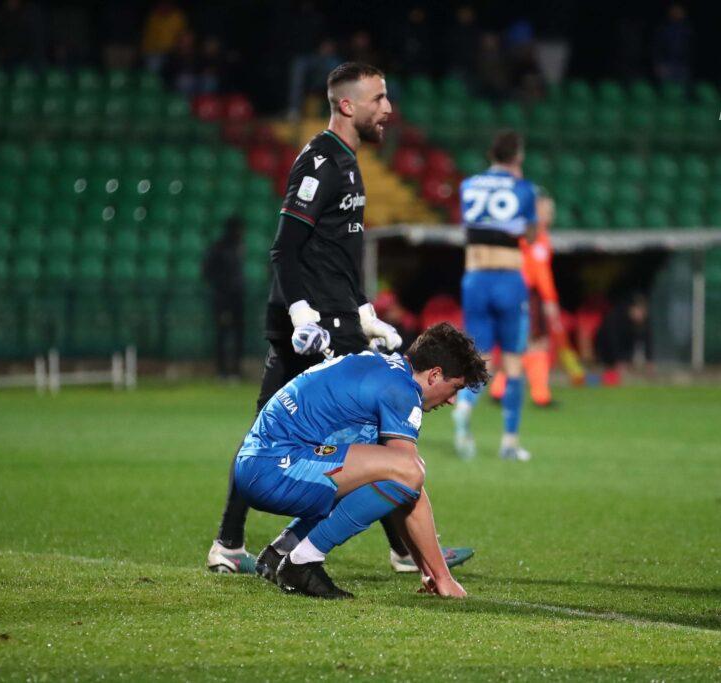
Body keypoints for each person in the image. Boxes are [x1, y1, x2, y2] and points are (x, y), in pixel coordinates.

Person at [207, 62, 473, 575]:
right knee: (353, 435)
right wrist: (303, 314)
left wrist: (366, 312)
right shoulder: (319, 163)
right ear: (347, 105)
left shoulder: (348, 163)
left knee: (359, 433)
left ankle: (233, 543)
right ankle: (406, 553)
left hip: (338, 319)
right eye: (379, 98)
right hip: (311, 329)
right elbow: (285, 251)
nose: (389, 109)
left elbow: (337, 254)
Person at [237, 323, 488, 598]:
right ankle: (303, 562)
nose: (452, 400)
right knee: (408, 470)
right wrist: (442, 577)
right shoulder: (401, 391)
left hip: (260, 461)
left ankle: (281, 552)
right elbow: (408, 476)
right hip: (274, 468)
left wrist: (429, 570)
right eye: (455, 388)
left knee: (394, 472)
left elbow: (401, 488)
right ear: (435, 375)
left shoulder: (381, 365)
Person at [452, 130, 537, 462]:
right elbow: (529, 233)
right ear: (517, 155)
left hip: (474, 278)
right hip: (507, 279)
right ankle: (510, 442)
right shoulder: (524, 189)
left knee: (480, 358)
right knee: (514, 363)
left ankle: (464, 406)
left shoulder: (468, 185)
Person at [489, 191, 572, 407]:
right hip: (526, 294)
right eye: (547, 209)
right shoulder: (535, 237)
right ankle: (539, 395)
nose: (551, 213)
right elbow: (539, 273)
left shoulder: (527, 234)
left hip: (515, 291)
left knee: (524, 343)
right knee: (535, 343)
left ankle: (501, 389)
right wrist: (550, 301)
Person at [202, 217, 245, 379]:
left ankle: (236, 370)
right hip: (223, 299)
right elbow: (207, 272)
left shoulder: (237, 247)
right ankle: (222, 371)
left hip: (237, 299)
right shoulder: (219, 248)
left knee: (238, 334)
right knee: (223, 334)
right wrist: (221, 288)